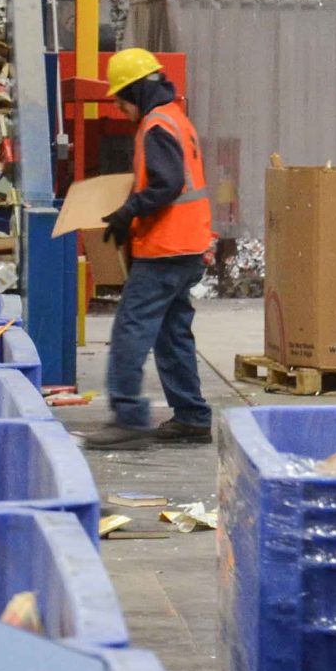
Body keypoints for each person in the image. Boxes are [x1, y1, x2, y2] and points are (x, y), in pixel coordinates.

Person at [79, 49, 216, 449]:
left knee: (130, 330)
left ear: (137, 90)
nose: (120, 108)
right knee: (172, 334)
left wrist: (127, 213)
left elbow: (167, 183)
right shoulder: (175, 119)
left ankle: (128, 418)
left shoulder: (156, 125)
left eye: (121, 98)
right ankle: (191, 418)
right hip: (187, 247)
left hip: (165, 249)